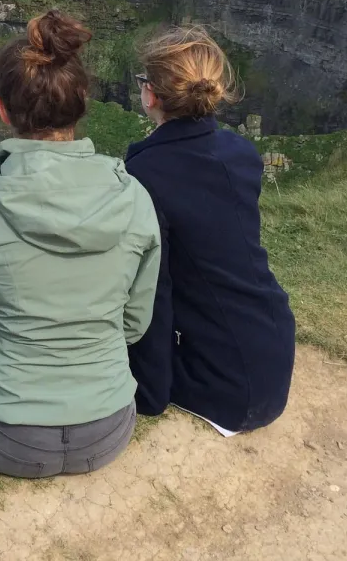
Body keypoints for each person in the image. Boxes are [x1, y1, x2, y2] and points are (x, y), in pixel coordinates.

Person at [0, 9, 162, 478]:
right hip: (109, 428)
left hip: (7, 439)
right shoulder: (135, 199)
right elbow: (135, 325)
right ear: (82, 104)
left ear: (2, 109)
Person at [125, 25, 295, 434]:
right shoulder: (241, 153)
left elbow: (155, 293)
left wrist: (150, 393)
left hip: (225, 386)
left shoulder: (144, 173)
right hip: (273, 348)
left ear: (151, 94)